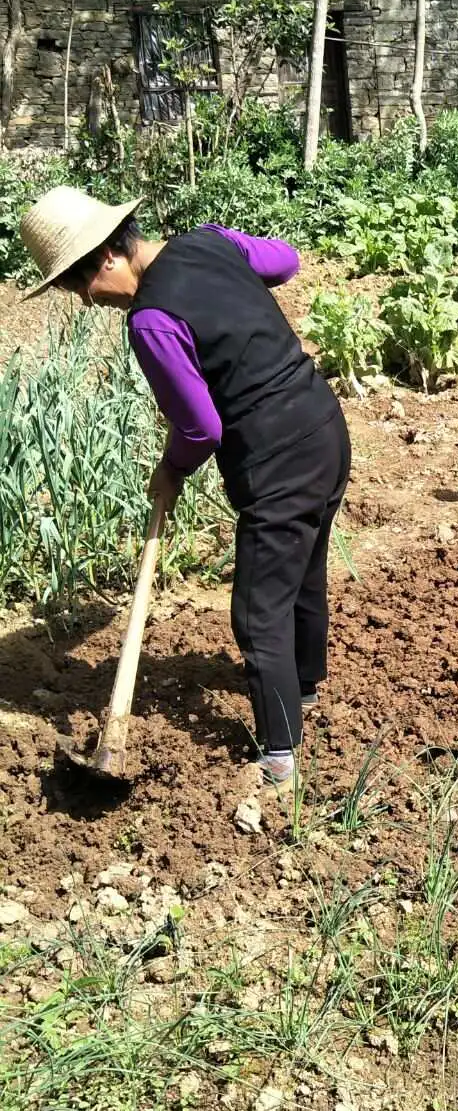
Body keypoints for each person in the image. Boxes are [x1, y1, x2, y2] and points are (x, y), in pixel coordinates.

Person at [20, 185, 351, 785]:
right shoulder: (208, 240)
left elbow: (200, 426)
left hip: (274, 458)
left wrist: (170, 470)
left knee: (257, 612)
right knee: (302, 570)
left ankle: (279, 760)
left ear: (106, 258)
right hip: (323, 426)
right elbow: (286, 260)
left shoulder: (150, 320)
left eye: (79, 286)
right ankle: (302, 691)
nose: (88, 302)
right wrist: (223, 275)